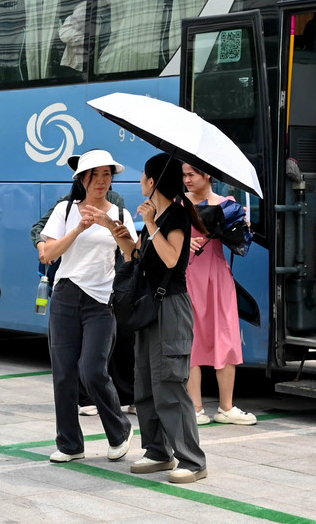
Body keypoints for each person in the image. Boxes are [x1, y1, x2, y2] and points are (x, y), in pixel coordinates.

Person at [114, 153, 208, 484]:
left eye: (143, 176)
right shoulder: (154, 217)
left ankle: (193, 461)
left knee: (170, 384)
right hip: (150, 308)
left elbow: (171, 259)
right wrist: (117, 232)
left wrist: (151, 223)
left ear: (152, 182)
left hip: (172, 308)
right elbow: (136, 257)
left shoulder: (177, 216)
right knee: (145, 383)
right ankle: (157, 451)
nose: (140, 181)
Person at [40, 149, 136, 463]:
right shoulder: (65, 210)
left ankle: (119, 430)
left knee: (93, 370)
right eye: (94, 175)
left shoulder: (119, 213)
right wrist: (79, 229)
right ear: (82, 179)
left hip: (101, 301)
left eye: (107, 175)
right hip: (65, 296)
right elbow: (48, 254)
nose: (101, 181)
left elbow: (131, 254)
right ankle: (70, 444)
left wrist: (111, 226)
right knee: (64, 374)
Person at [181, 164, 256, 427]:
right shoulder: (178, 204)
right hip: (189, 274)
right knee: (190, 338)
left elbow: (239, 243)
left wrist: (241, 228)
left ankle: (226, 407)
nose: (187, 179)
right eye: (184, 175)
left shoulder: (228, 205)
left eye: (191, 174)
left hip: (217, 274)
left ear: (207, 175)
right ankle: (195, 407)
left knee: (225, 335)